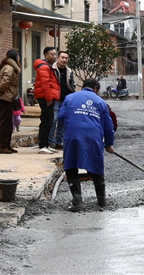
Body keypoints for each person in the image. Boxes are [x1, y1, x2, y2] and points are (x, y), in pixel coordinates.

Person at [59, 79, 115, 211]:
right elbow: (108, 126)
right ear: (95, 88)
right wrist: (109, 144)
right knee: (96, 165)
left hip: (72, 135)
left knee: (71, 165)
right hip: (93, 137)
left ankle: (77, 200)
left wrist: (74, 121)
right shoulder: (101, 102)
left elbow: (61, 117)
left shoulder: (69, 97)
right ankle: (101, 201)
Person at [0, 50, 21, 154]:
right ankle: (3, 146)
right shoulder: (10, 68)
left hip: (8, 97)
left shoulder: (9, 66)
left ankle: (7, 145)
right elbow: (5, 82)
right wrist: (0, 92)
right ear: (16, 57)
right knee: (5, 123)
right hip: (5, 98)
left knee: (9, 123)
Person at [34, 47, 60, 154]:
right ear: (45, 55)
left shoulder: (48, 66)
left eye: (55, 54)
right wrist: (49, 98)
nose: (54, 57)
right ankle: (42, 145)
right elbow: (45, 84)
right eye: (51, 54)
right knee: (46, 121)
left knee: (49, 121)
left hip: (48, 97)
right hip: (45, 97)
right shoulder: (44, 67)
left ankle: (46, 144)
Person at [49, 51, 76, 150]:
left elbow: (71, 83)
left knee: (62, 121)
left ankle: (59, 141)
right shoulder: (52, 69)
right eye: (62, 57)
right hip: (56, 98)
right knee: (54, 120)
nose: (64, 60)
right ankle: (51, 141)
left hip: (66, 99)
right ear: (58, 58)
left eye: (66, 58)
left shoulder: (69, 71)